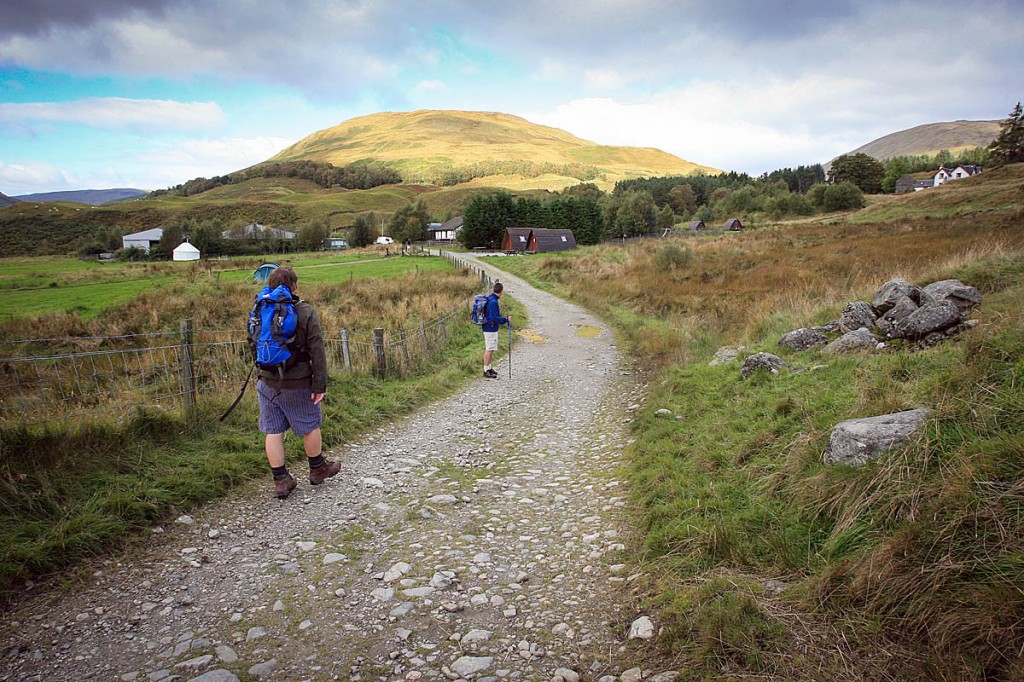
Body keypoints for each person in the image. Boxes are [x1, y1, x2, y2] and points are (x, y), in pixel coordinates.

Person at [251, 265, 340, 498]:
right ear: (294, 286)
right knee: (310, 425)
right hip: (298, 382)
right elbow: (317, 350)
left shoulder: (259, 309)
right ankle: (318, 468)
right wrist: (319, 384)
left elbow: (252, 343)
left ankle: (281, 481)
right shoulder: (305, 311)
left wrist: (263, 371)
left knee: (273, 430)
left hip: (267, 382)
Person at [481, 281, 510, 379]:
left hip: (490, 327)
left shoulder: (491, 298)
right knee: (489, 349)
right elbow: (493, 317)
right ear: (501, 291)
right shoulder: (493, 302)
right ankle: (486, 370)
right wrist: (505, 320)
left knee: (491, 348)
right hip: (490, 328)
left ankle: (489, 368)